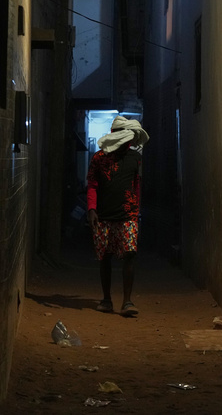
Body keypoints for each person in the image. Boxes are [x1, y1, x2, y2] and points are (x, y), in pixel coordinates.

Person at [85, 115, 150, 317]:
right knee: (105, 256)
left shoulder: (135, 158)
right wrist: (92, 209)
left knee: (130, 254)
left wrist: (136, 209)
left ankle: (127, 301)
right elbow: (93, 185)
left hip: (128, 215)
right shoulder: (99, 159)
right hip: (103, 215)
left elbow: (137, 184)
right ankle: (106, 299)